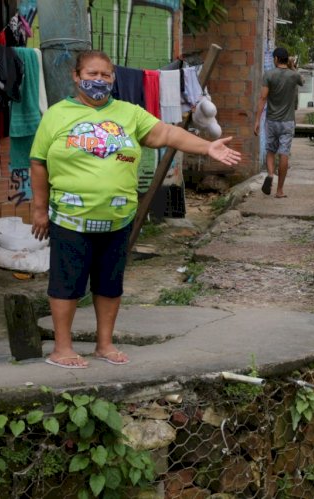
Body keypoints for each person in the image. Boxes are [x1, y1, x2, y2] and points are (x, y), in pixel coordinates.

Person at [30, 50, 241, 368]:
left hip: (117, 218)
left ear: (113, 78)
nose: (98, 80)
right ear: (76, 76)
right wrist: (38, 209)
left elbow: (168, 133)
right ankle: (62, 348)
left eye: (105, 74)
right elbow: (38, 164)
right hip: (70, 218)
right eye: (91, 74)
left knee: (109, 284)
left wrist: (207, 146)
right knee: (66, 284)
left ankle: (104, 345)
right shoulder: (57, 115)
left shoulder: (129, 113)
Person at [254, 47, 304, 199]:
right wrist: (293, 67)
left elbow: (262, 98)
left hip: (271, 121)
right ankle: (280, 190)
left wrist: (257, 120)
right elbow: (302, 81)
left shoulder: (269, 75)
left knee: (270, 151)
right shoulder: (293, 76)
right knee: (284, 153)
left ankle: (270, 174)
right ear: (286, 59)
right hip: (287, 122)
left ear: (275, 59)